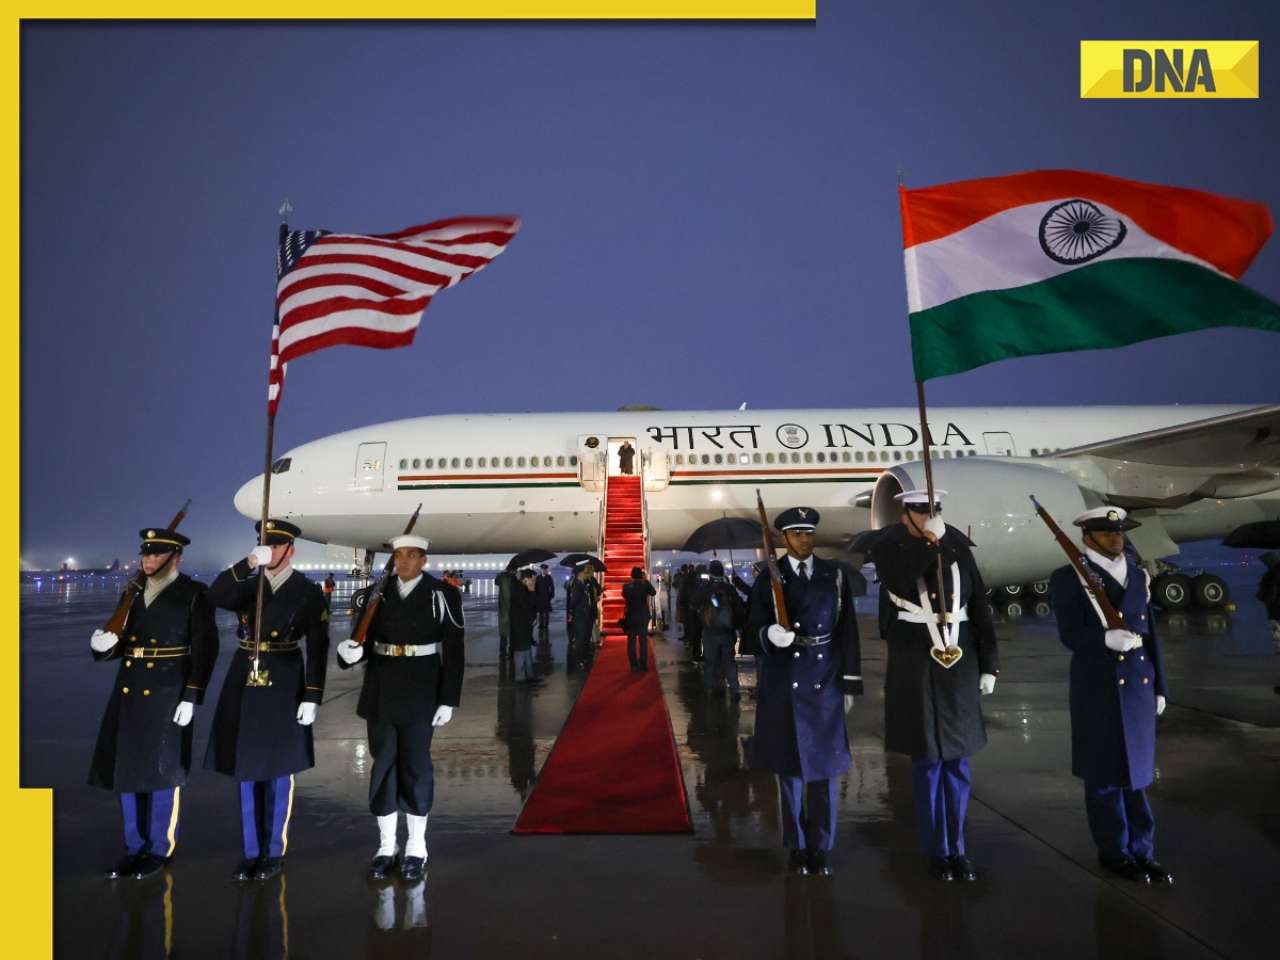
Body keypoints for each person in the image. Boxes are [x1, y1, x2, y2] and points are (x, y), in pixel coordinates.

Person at [869, 489, 998, 883]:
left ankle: (957, 848)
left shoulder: (957, 545)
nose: (929, 516)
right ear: (905, 515)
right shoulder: (889, 547)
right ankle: (937, 850)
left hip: (959, 664)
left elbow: (979, 608)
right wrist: (929, 546)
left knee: (957, 761)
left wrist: (989, 664)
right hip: (917, 663)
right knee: (927, 762)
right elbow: (899, 579)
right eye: (921, 511)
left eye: (935, 510)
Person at [1049, 506, 1173, 885]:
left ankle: (1143, 852)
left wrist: (1160, 686)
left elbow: (1149, 634)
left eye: (1119, 532)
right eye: (1106, 532)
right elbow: (1070, 633)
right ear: (1087, 537)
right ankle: (1115, 852)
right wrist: (1104, 639)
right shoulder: (1069, 577)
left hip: (1137, 685)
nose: (1116, 538)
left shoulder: (1137, 574)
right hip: (1097, 686)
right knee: (1104, 777)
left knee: (1137, 776)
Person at [89, 526, 219, 880]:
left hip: (168, 692)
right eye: (146, 553)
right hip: (129, 691)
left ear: (176, 558)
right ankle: (134, 846)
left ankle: (160, 847)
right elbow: (121, 640)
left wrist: (192, 695)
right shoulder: (132, 592)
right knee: (127, 771)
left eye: (156, 554)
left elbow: (205, 649)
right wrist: (103, 648)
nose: (148, 559)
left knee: (162, 771)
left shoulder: (194, 594)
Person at [205, 519, 330, 883]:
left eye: (275, 546)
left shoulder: (307, 591)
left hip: (284, 677)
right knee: (246, 768)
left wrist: (312, 694)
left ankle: (273, 851)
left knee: (277, 769)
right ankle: (251, 851)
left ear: (291, 551)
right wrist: (247, 563)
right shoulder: (249, 584)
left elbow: (318, 645)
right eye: (265, 545)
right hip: (245, 674)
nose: (269, 551)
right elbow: (216, 596)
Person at [336, 534, 465, 883]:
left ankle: (416, 848)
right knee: (383, 766)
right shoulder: (376, 594)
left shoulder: (443, 594)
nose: (404, 561)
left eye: (411, 555)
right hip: (381, 689)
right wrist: (348, 655)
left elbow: (454, 651)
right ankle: (386, 846)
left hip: (422, 690)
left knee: (416, 767)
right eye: (399, 555)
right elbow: (360, 640)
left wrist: (448, 698)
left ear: (424, 560)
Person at [746, 506, 862, 877]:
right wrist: (768, 634)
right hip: (784, 680)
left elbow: (848, 631)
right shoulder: (768, 578)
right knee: (790, 770)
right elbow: (750, 630)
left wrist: (849, 682)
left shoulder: (834, 575)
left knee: (825, 769)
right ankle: (797, 845)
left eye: (809, 533)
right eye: (797, 534)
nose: (804, 540)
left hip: (825, 677)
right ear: (783, 538)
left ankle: (821, 846)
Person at [694, 560, 745, 698]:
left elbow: (694, 604)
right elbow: (738, 608)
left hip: (710, 631)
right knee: (729, 661)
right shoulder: (729, 588)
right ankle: (734, 689)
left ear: (710, 572)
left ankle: (712, 688)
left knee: (711, 661)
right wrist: (737, 626)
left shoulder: (704, 588)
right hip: (727, 632)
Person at [622, 567, 657, 672]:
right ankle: (643, 665)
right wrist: (645, 580)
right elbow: (653, 592)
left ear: (631, 575)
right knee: (643, 641)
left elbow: (625, 597)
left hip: (631, 616)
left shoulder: (626, 587)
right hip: (643, 616)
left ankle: (633, 665)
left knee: (631, 642)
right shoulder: (645, 585)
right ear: (641, 575)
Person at [510, 570, 539, 683]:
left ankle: (529, 674)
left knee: (526, 649)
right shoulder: (519, 590)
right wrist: (532, 592)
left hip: (525, 624)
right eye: (533, 579)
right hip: (519, 624)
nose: (534, 582)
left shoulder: (523, 588)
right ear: (526, 579)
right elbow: (528, 605)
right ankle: (520, 677)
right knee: (521, 650)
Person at [569, 561, 600, 665]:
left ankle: (585, 655)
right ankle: (580, 658)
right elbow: (573, 601)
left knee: (587, 636)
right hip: (581, 615)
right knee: (581, 638)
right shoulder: (577, 585)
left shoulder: (585, 584)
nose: (585, 574)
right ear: (580, 574)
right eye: (584, 572)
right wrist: (571, 612)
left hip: (588, 614)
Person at [494, 567, 516, 659]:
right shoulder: (513, 579)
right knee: (512, 633)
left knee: (503, 634)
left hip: (503, 610)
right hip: (511, 610)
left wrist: (501, 574)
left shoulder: (502, 578)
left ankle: (502, 652)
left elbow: (496, 582)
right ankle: (511, 651)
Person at [534, 564, 556, 638]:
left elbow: (552, 587)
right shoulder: (538, 577)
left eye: (545, 569)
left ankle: (546, 625)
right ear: (541, 570)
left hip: (546, 596)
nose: (544, 570)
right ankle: (541, 624)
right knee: (540, 612)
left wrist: (551, 595)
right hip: (539, 597)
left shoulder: (549, 577)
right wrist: (536, 596)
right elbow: (536, 587)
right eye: (543, 569)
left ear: (546, 570)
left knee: (546, 612)